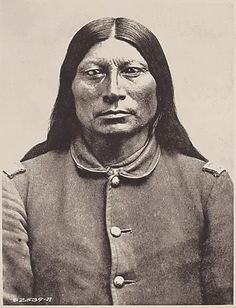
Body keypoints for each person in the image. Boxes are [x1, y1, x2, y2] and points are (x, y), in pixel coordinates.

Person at [2, 17, 233, 305]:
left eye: (132, 71)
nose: (112, 90)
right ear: (69, 89)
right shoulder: (19, 189)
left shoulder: (208, 188)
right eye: (94, 73)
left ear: (160, 88)